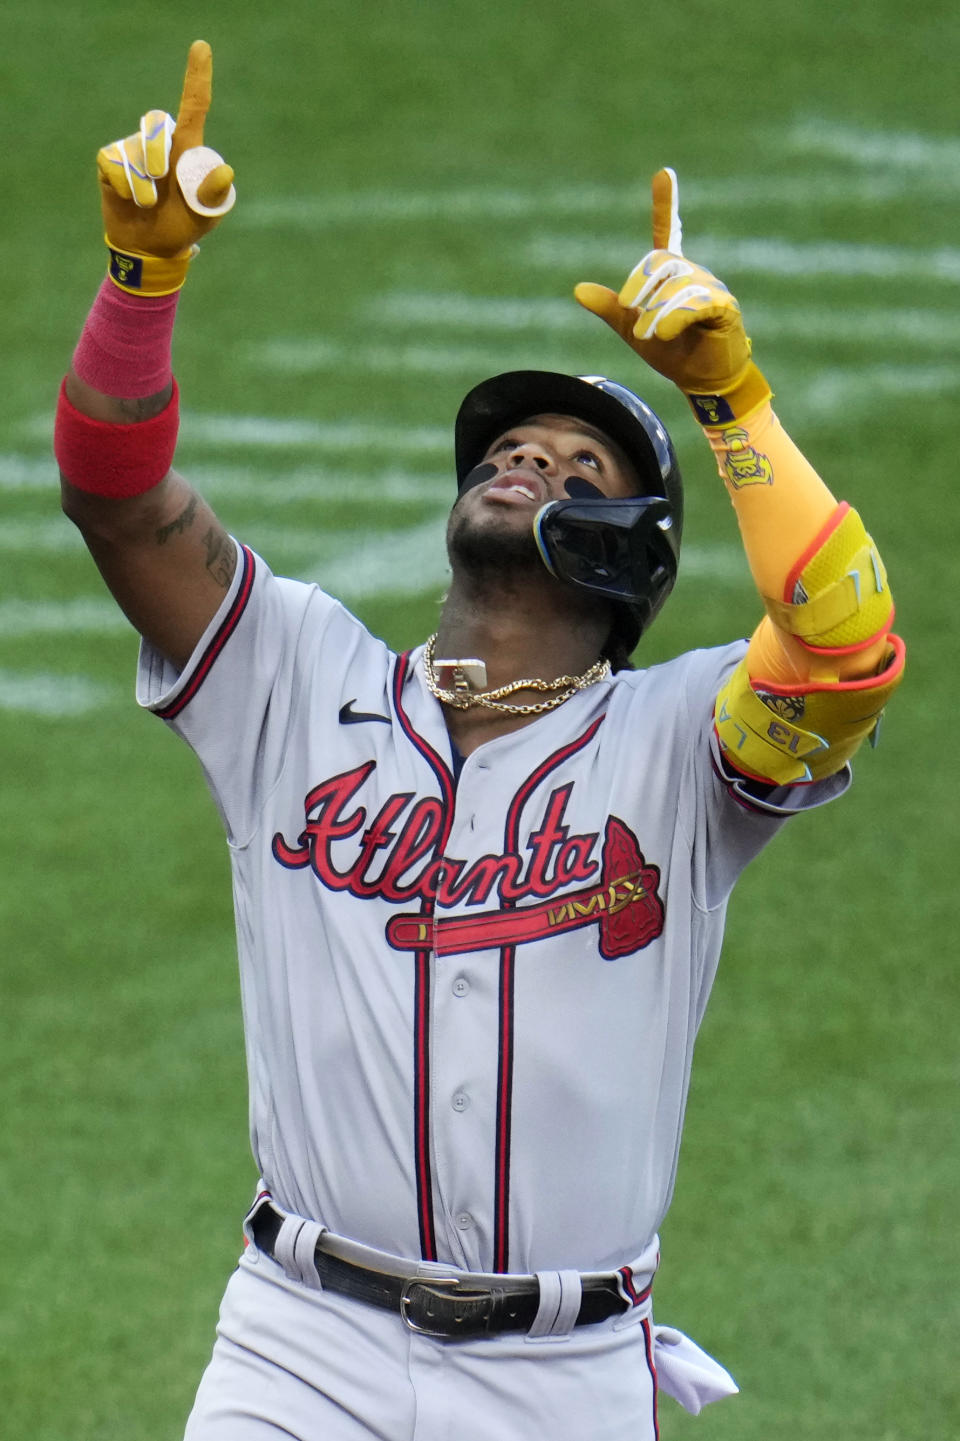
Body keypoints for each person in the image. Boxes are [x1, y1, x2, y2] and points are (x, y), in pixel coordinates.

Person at [55, 39, 904, 1441]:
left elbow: (847, 639)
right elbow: (116, 494)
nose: (529, 462)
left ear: (628, 554)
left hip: (558, 1378)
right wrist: (141, 283)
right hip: (297, 1347)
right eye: (513, 453)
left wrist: (732, 405)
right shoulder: (292, 672)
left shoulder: (684, 747)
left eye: (581, 470)